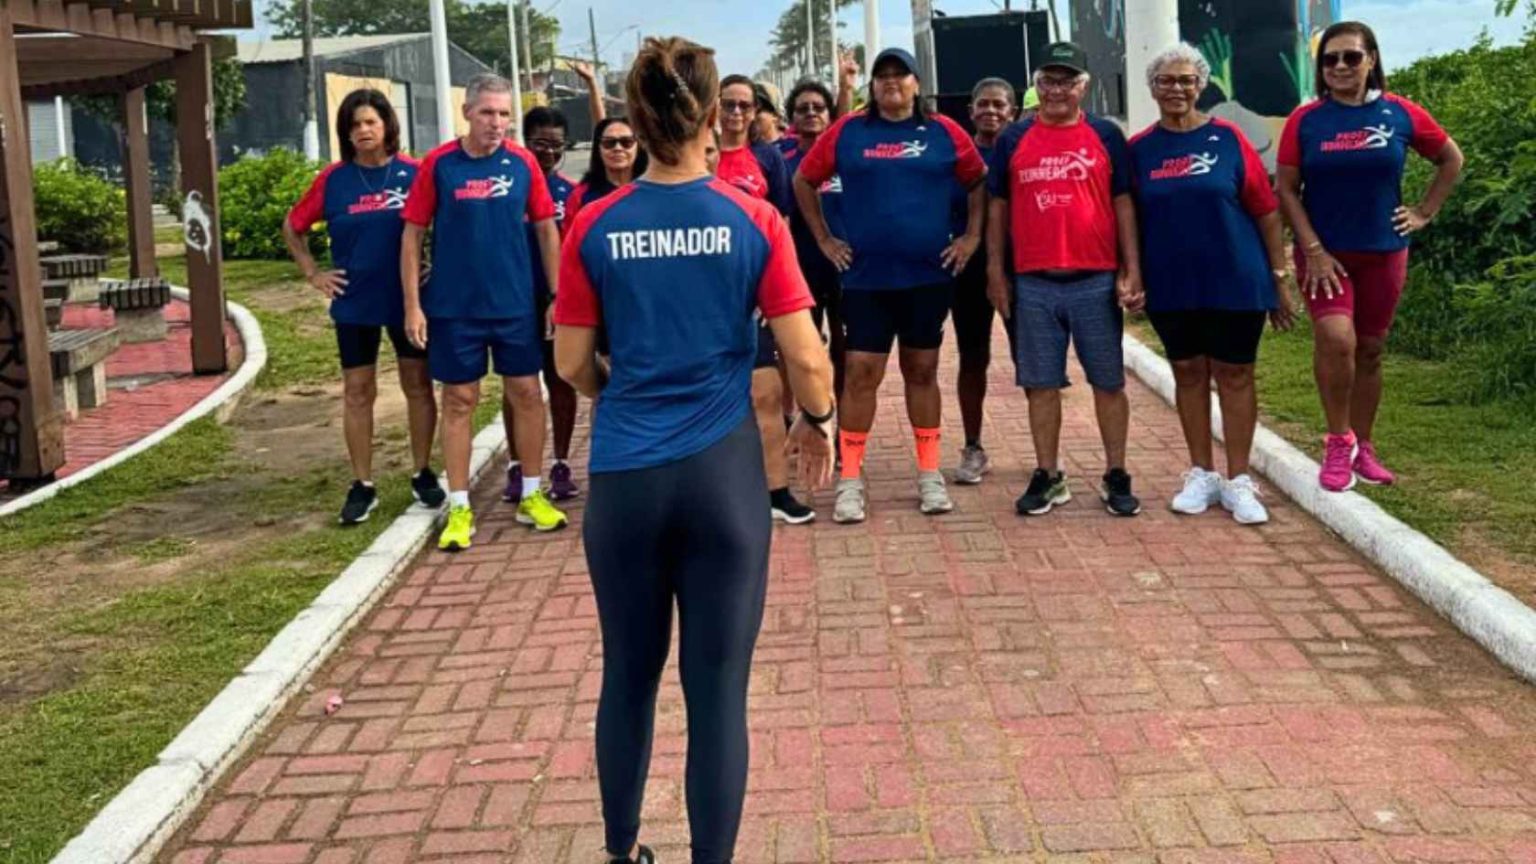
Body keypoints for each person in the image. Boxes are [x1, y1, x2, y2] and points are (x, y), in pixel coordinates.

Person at [553, 36, 835, 864]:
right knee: (716, 695)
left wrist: (629, 388)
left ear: (634, 123)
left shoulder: (595, 224)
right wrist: (816, 422)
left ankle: (620, 850)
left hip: (627, 479)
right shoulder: (753, 218)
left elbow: (571, 363)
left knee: (628, 678)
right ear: (715, 118)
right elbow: (806, 357)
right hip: (724, 480)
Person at [796, 47, 987, 524]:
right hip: (865, 280)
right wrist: (824, 239)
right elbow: (804, 180)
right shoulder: (848, 131)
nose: (891, 83)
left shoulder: (944, 132)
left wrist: (971, 237)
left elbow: (979, 181)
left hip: (927, 276)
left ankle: (929, 475)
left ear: (917, 84)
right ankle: (851, 481)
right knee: (861, 374)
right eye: (882, 76)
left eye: (900, 75)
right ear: (872, 86)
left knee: (922, 371)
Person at [1277, 21, 1463, 492]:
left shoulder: (1400, 114)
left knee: (1372, 349)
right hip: (1326, 256)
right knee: (1337, 340)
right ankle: (1338, 440)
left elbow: (1450, 159)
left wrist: (1424, 211)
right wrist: (1312, 250)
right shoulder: (1307, 120)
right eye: (1330, 59)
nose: (1340, 66)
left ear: (1372, 60)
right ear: (1321, 68)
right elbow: (1286, 189)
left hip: (1384, 252)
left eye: (1351, 57)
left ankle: (1365, 444)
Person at [1129, 44, 1297, 525]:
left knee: (1236, 374)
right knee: (1188, 373)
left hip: (1236, 279)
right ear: (1153, 88)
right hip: (1172, 283)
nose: (1177, 88)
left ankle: (1239, 479)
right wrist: (1133, 275)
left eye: (1186, 80)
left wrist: (1278, 278)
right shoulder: (1139, 149)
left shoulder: (1229, 139)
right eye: (1166, 81)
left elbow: (1266, 212)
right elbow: (1131, 218)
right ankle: (1201, 473)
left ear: (1201, 85)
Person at [401, 73, 568, 551]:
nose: (497, 123)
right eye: (488, 113)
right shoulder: (439, 166)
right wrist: (414, 305)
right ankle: (459, 506)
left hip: (514, 303)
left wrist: (556, 296)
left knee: (526, 394)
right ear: (467, 113)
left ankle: (532, 495)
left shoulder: (523, 165)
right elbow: (412, 234)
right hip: (454, 309)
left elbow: (545, 229)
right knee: (459, 401)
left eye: (504, 114)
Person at [985, 42, 1145, 518]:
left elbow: (1123, 203)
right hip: (1033, 281)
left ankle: (1116, 473)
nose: (1056, 90)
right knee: (1040, 383)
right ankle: (1048, 474)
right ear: (1036, 86)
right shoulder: (1013, 139)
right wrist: (996, 271)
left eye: (1066, 81)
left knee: (1108, 381)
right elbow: (997, 207)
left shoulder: (1105, 135)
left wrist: (1131, 267)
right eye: (1048, 81)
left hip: (1094, 279)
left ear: (1084, 85)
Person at [283, 89, 444, 525]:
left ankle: (423, 471)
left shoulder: (415, 173)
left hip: (409, 301)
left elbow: (446, 223)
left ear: (388, 125)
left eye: (371, 122)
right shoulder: (334, 181)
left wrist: (437, 270)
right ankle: (362, 484)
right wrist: (313, 273)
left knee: (418, 384)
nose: (363, 131)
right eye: (354, 125)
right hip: (355, 303)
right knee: (358, 391)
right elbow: (293, 226)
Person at [502, 61, 605, 506]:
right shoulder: (503, 186)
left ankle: (561, 463)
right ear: (523, 142)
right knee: (516, 386)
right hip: (511, 300)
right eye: (539, 144)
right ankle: (516, 465)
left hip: (560, 303)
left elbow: (609, 142)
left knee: (561, 382)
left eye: (555, 147)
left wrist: (593, 89)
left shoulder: (571, 192)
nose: (547, 153)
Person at [718, 73, 815, 524]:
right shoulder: (695, 157)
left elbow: (783, 228)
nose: (736, 113)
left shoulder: (768, 159)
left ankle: (777, 492)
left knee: (767, 395)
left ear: (755, 111)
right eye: (728, 104)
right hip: (705, 304)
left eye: (744, 105)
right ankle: (717, 496)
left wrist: (772, 290)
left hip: (753, 300)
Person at [778, 57, 858, 412]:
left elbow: (847, 125)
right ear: (791, 118)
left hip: (845, 268)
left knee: (845, 352)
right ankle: (810, 418)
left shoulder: (844, 154)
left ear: (828, 114)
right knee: (802, 352)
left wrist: (846, 85)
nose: (811, 112)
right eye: (802, 108)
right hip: (800, 270)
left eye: (818, 107)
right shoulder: (781, 159)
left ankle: (842, 431)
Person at [949, 77, 1018, 485]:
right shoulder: (958, 155)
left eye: (999, 105)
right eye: (984, 105)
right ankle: (973, 446)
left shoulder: (1022, 151)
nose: (991, 111)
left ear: (1012, 111)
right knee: (973, 358)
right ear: (972, 111)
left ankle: (1046, 454)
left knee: (1031, 362)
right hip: (969, 271)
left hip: (1018, 269)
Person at [567, 116, 650, 222]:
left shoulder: (652, 191)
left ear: (638, 147)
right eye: (609, 143)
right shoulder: (581, 196)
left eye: (626, 142)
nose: (618, 148)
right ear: (599, 149)